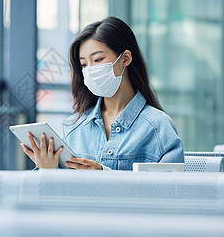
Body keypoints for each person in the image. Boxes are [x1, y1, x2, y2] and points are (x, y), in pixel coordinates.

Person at [21, 16, 184, 170]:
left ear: (125, 59)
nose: (90, 70)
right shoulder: (73, 128)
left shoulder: (158, 127)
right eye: (84, 64)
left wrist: (102, 175)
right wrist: (49, 171)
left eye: (98, 60)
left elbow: (170, 192)